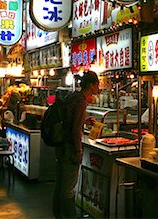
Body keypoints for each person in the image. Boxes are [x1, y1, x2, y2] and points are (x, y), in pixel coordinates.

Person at [53, 71, 99, 219]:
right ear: (91, 85)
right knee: (68, 189)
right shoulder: (81, 101)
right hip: (69, 150)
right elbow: (74, 131)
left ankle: (58, 214)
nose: (98, 88)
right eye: (97, 84)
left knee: (60, 184)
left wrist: (84, 122)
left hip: (61, 147)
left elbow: (70, 122)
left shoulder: (74, 96)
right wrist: (78, 151)